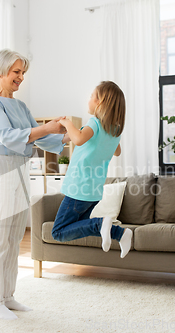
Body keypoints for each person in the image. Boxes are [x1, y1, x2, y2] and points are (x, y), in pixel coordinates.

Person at [0, 49, 69, 320]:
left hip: (19, 169)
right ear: (1, 71)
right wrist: (48, 128)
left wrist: (68, 138)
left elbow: (38, 138)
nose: (21, 77)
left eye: (23, 73)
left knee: (15, 236)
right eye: (17, 72)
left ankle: (8, 296)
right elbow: (7, 136)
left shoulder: (21, 106)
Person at [52, 81, 132, 259]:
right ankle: (120, 234)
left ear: (100, 103)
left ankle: (100, 224)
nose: (88, 100)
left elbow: (79, 139)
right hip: (94, 191)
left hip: (78, 188)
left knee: (58, 231)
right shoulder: (114, 130)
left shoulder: (95, 122)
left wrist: (67, 123)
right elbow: (117, 151)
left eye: (91, 97)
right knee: (80, 225)